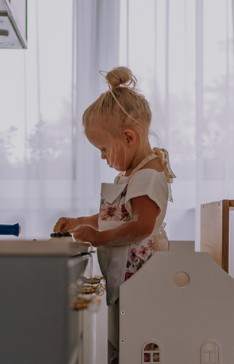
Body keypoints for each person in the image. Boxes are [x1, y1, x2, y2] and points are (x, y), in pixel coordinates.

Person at [53, 66, 175, 306]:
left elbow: (141, 226)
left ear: (129, 138)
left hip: (141, 283)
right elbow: (115, 217)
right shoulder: (132, 175)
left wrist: (99, 238)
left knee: (136, 338)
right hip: (130, 280)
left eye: (104, 149)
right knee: (125, 337)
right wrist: (81, 221)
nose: (102, 157)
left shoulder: (147, 176)